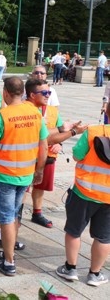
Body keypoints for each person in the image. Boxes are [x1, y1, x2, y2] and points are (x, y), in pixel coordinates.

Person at [0, 77, 48, 276]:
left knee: (6, 218)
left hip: (5, 176)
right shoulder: (35, 114)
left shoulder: (1, 116)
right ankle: (9, 251)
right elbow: (43, 145)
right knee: (15, 213)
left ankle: (9, 262)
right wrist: (39, 170)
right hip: (26, 174)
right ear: (23, 93)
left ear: (6, 93)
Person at [55, 105, 110, 287]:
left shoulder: (94, 131)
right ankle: (95, 274)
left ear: (107, 111)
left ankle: (70, 269)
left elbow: (78, 155)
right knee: (104, 237)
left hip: (84, 192)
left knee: (74, 231)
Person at [25, 78, 87, 228]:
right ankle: (17, 214)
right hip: (28, 156)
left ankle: (37, 213)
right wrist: (70, 132)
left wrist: (59, 142)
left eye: (49, 92)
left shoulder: (53, 111)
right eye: (44, 92)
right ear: (33, 93)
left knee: (40, 186)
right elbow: (46, 135)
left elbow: (59, 131)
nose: (47, 95)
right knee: (24, 188)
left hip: (47, 156)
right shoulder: (25, 110)